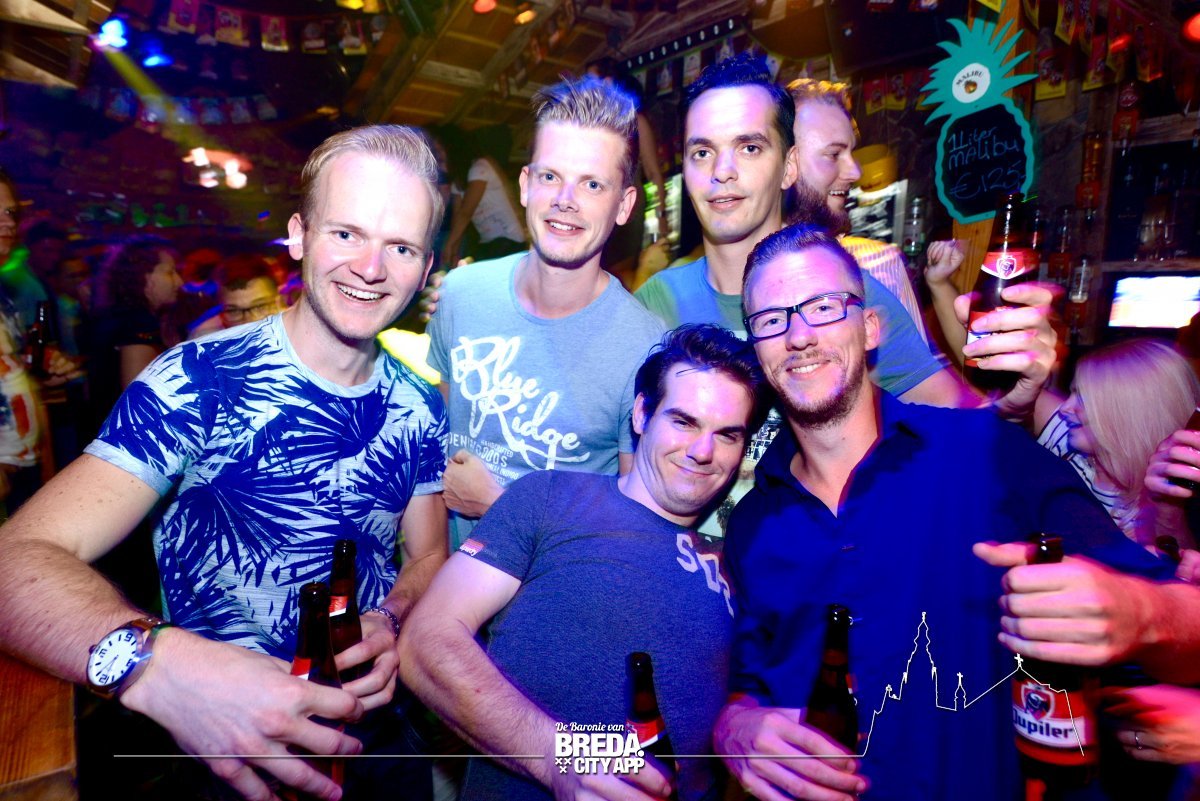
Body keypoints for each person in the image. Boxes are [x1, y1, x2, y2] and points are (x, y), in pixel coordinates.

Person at [0, 125, 449, 801]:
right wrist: (158, 665)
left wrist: (391, 618)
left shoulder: (419, 404)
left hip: (376, 737)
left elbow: (428, 555)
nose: (370, 267)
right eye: (346, 233)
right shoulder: (197, 379)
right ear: (299, 235)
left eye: (401, 247)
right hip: (228, 748)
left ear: (426, 263)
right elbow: (14, 563)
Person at [713, 223, 1170, 801]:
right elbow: (750, 679)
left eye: (824, 307)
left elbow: (1162, 612)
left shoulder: (987, 453)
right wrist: (735, 725)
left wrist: (1151, 628)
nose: (799, 335)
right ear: (757, 347)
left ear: (870, 327)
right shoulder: (752, 524)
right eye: (771, 320)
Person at [631, 54, 1055, 540]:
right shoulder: (655, 302)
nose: (722, 171)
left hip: (822, 570)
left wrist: (1020, 400)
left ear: (789, 167)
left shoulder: (844, 298)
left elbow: (974, 429)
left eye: (748, 147)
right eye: (702, 152)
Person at [399, 323, 767, 801]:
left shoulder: (743, 558)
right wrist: (558, 756)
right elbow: (427, 640)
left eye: (727, 435)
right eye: (683, 422)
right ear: (642, 414)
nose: (702, 451)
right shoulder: (552, 498)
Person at [426, 75, 667, 550]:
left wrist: (498, 505)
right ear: (525, 185)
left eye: (592, 184)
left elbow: (632, 530)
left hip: (560, 593)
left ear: (624, 205)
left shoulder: (645, 346)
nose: (565, 200)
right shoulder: (461, 293)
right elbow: (436, 457)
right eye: (550, 177)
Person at [1032, 338, 1200, 549]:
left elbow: (1176, 563)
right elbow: (1010, 391)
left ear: (1128, 413)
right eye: (1072, 392)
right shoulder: (1067, 441)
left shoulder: (1157, 510)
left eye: (1082, 398)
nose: (1066, 408)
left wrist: (1166, 512)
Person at [440, 124, 527, 265]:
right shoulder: (459, 179)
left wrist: (449, 245)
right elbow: (458, 217)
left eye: (441, 150)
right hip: (489, 243)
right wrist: (454, 250)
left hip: (510, 240)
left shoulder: (481, 167)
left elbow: (466, 212)